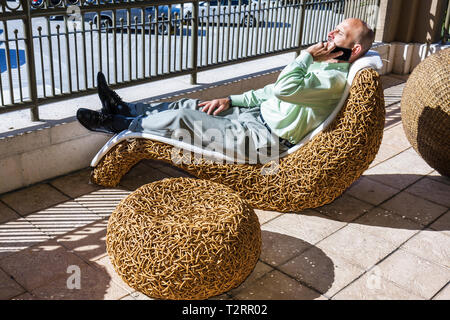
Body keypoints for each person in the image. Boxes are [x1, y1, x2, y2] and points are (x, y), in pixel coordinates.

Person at [77, 18, 375, 164]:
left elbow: (284, 90)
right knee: (192, 104)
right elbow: (271, 91)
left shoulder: (332, 79)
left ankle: (117, 125)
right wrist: (231, 99)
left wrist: (306, 56)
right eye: (333, 29)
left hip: (266, 141)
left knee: (183, 119)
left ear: (355, 48)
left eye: (339, 33)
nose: (329, 34)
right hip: (254, 116)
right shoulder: (324, 66)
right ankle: (125, 108)